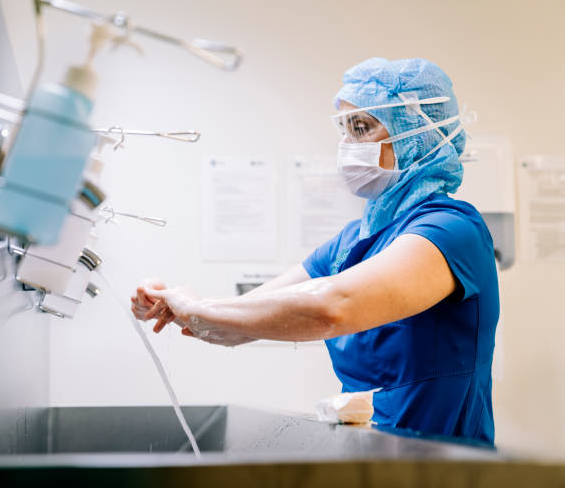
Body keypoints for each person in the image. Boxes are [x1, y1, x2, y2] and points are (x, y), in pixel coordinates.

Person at [130, 58, 499, 445]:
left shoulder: (451, 229)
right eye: (343, 130)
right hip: (374, 459)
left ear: (415, 135)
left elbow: (330, 307)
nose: (346, 146)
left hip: (447, 467)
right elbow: (242, 323)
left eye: (361, 128)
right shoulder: (352, 240)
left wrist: (197, 308)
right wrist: (173, 306)